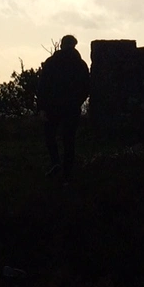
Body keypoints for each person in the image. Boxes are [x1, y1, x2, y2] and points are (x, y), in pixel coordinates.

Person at [36, 35, 90, 180]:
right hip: (71, 108)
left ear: (61, 45)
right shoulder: (80, 65)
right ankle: (67, 173)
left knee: (50, 136)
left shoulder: (51, 62)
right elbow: (86, 87)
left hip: (52, 107)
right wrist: (78, 101)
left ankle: (55, 162)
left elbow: (42, 86)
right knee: (69, 140)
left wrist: (42, 107)